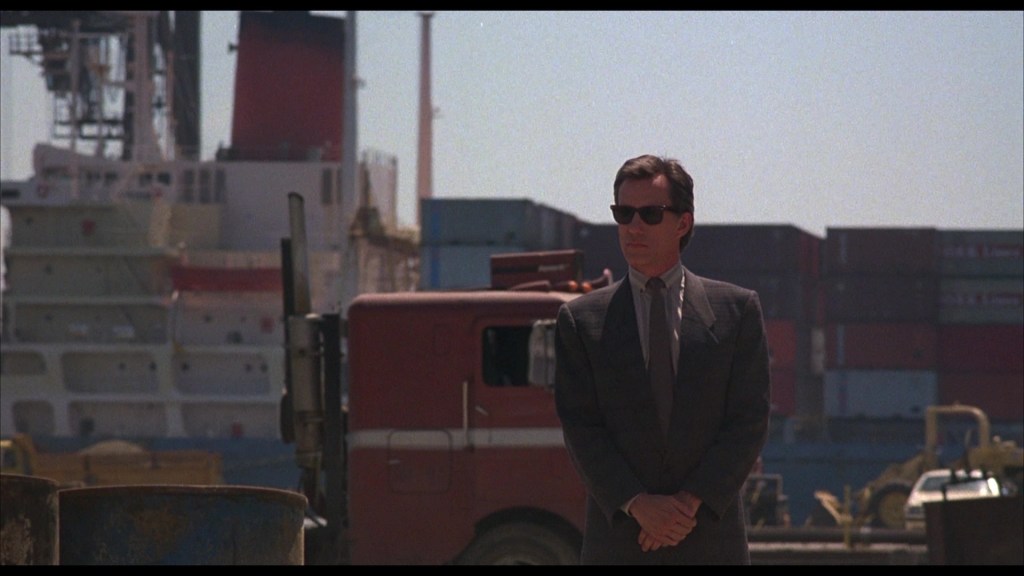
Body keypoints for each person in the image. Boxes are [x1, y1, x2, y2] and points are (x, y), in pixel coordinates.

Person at [554, 154, 771, 564]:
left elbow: (748, 421)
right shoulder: (581, 321)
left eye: (651, 214)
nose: (634, 226)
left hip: (710, 540)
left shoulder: (736, 312)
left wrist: (686, 506)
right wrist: (639, 506)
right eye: (624, 213)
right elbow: (582, 429)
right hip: (620, 543)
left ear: (683, 223)